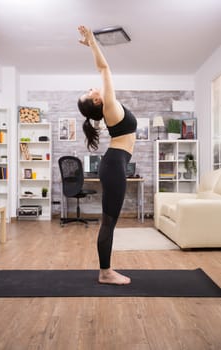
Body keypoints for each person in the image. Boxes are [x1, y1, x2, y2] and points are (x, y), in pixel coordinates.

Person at [77, 25, 137, 285]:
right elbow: (104, 69)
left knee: (110, 219)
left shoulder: (110, 108)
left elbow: (102, 73)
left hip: (115, 164)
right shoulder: (110, 106)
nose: (93, 88)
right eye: (90, 92)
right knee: (109, 221)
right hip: (113, 165)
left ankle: (106, 270)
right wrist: (92, 42)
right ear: (97, 102)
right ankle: (105, 273)